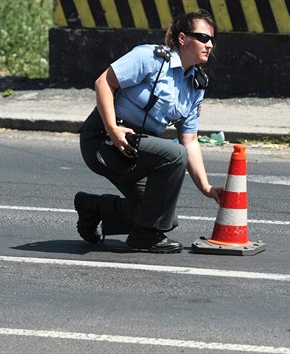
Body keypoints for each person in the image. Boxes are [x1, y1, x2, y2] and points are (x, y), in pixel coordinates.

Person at [74, 9, 222, 253]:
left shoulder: (196, 84)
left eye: (212, 40)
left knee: (158, 213)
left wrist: (206, 188)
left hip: (135, 148)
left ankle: (93, 207)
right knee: (174, 156)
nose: (210, 45)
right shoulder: (151, 58)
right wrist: (112, 129)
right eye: (203, 38)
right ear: (183, 38)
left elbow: (190, 140)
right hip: (103, 139)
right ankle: (144, 237)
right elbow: (103, 82)